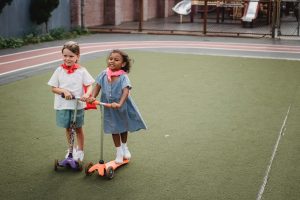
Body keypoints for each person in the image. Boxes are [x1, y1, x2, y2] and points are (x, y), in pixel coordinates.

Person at [88, 49, 147, 164]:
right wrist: (93, 97)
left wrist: (120, 103)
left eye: (116, 60)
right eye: (110, 59)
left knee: (123, 127)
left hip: (121, 105)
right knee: (113, 128)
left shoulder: (123, 77)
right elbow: (97, 86)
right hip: (107, 105)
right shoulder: (104, 74)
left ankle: (125, 147)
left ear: (123, 64)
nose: (112, 61)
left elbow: (125, 91)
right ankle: (119, 151)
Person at [48, 41, 95, 162]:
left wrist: (86, 94)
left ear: (77, 57)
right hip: (63, 105)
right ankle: (71, 149)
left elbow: (89, 85)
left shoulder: (81, 70)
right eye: (65, 56)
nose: (67, 59)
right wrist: (63, 91)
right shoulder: (59, 70)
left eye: (71, 56)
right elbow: (53, 88)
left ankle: (80, 150)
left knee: (78, 128)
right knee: (68, 128)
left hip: (77, 105)